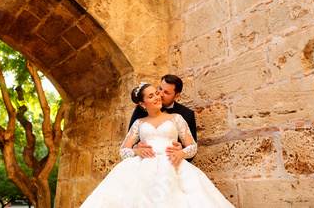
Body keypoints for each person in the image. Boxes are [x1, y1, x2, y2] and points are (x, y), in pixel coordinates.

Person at [80, 82, 235, 207]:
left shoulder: (176, 118)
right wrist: (136, 151)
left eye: (156, 93)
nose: (157, 96)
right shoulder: (139, 123)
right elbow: (124, 150)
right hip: (142, 167)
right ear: (142, 103)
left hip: (173, 165)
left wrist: (181, 153)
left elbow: (192, 146)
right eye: (151, 95)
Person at [128, 74, 197, 161]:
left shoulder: (186, 114)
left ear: (176, 96)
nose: (160, 94)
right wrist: (136, 147)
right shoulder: (141, 109)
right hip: (145, 161)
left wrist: (182, 152)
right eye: (160, 89)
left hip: (172, 163)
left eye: (166, 92)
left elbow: (191, 147)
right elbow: (130, 140)